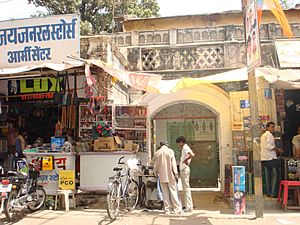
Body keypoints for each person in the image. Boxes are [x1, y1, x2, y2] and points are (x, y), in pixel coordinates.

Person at [153, 141, 182, 214]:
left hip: (162, 176)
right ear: (166, 145)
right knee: (173, 192)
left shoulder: (157, 153)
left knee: (165, 193)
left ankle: (167, 210)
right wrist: (176, 173)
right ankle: (176, 209)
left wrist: (155, 172)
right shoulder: (170, 151)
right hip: (170, 175)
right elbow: (173, 163)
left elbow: (155, 165)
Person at [260, 121, 280, 198]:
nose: (273, 129)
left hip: (264, 158)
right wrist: (277, 149)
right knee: (275, 174)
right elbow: (268, 146)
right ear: (267, 127)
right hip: (271, 158)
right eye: (272, 127)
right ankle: (273, 193)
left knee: (267, 176)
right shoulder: (269, 135)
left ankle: (268, 193)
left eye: (273, 127)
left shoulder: (263, 136)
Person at [176, 136, 195, 212]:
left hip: (184, 169)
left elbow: (191, 154)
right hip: (184, 169)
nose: (178, 145)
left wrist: (185, 161)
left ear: (181, 142)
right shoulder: (185, 147)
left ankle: (189, 207)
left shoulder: (185, 147)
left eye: (178, 143)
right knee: (185, 188)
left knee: (186, 188)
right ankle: (187, 205)